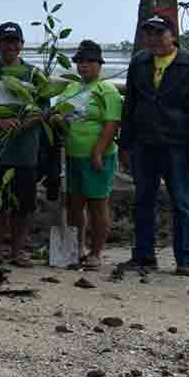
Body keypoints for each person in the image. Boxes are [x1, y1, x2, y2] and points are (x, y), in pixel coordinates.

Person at [119, 16, 189, 276]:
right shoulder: (139, 62)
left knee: (182, 203)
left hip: (178, 145)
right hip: (144, 143)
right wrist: (124, 144)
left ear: (173, 35)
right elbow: (130, 105)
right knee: (143, 201)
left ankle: (185, 260)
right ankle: (143, 256)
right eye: (148, 33)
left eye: (159, 33)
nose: (153, 39)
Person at [51, 40, 122, 270]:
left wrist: (98, 152)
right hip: (72, 156)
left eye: (90, 61)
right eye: (80, 61)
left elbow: (112, 123)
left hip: (98, 156)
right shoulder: (71, 88)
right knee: (74, 205)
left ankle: (96, 252)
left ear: (99, 65)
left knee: (97, 205)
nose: (84, 66)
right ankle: (76, 248)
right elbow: (59, 112)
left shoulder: (107, 90)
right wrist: (56, 118)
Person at [0, 22, 44, 267]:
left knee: (24, 205)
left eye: (15, 41)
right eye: (6, 42)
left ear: (22, 45)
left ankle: (17, 251)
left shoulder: (35, 75)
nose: (10, 46)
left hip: (25, 151)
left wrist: (23, 124)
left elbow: (43, 111)